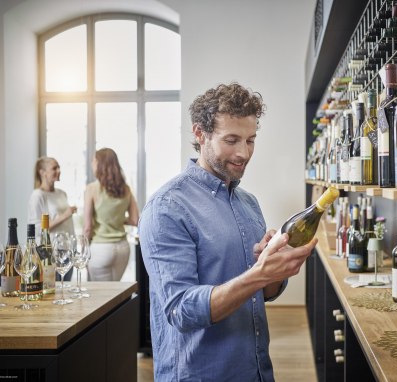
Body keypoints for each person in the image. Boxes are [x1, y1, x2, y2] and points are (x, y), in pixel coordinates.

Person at [138, 82, 316, 382]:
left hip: (255, 370)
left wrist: (273, 269)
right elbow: (181, 310)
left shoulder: (248, 202)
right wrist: (259, 274)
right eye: (231, 140)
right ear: (199, 133)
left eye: (250, 140)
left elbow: (264, 294)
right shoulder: (167, 208)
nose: (243, 153)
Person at [83, 148, 139, 281]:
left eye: (93, 161)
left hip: (100, 248)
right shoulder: (126, 189)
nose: (92, 164)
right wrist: (118, 219)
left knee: (102, 296)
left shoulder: (92, 189)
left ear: (99, 164)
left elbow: (87, 227)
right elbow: (135, 220)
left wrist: (83, 253)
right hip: (123, 249)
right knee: (115, 294)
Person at [28, 156, 76, 280]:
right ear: (42, 172)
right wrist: (65, 215)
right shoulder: (37, 196)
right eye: (54, 168)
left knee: (65, 290)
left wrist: (74, 247)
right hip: (50, 253)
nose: (59, 170)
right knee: (52, 291)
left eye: (59, 167)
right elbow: (37, 229)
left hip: (67, 251)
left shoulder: (62, 193)